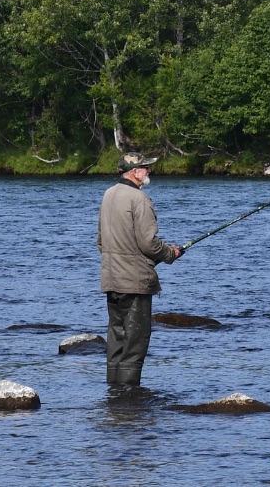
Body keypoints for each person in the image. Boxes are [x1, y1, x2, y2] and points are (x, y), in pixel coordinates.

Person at [97, 152, 184, 388]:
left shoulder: (108, 195)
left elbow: (101, 242)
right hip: (134, 283)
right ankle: (129, 397)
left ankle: (114, 393)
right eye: (146, 168)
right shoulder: (139, 199)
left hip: (111, 279)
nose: (149, 172)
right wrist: (169, 253)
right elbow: (148, 243)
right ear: (135, 172)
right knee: (136, 339)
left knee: (117, 337)